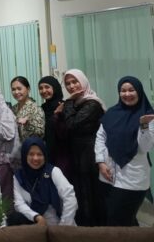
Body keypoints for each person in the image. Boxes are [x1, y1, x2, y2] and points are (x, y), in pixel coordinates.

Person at [95, 76, 154, 226]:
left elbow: (145, 148)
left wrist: (144, 126)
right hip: (109, 174)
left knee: (119, 221)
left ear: (139, 92)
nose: (127, 94)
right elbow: (100, 137)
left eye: (131, 90)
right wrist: (101, 162)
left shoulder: (148, 115)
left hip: (132, 178)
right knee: (119, 220)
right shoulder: (112, 113)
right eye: (123, 90)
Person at [55, 69, 105, 226]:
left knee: (91, 193)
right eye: (68, 83)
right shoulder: (76, 103)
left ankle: (95, 229)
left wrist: (68, 103)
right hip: (76, 153)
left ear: (83, 81)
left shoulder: (92, 104)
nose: (71, 86)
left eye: (75, 82)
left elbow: (72, 124)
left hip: (90, 154)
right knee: (80, 193)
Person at [10, 137, 77, 226]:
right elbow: (19, 204)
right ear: (24, 155)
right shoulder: (19, 177)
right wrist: (36, 217)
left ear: (45, 156)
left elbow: (70, 198)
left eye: (39, 154)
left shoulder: (53, 172)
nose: (35, 158)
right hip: (35, 223)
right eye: (31, 154)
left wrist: (63, 226)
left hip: (59, 223)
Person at [38, 76, 71, 173]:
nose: (44, 90)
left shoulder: (65, 105)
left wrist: (58, 114)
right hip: (48, 152)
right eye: (41, 88)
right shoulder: (42, 108)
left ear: (55, 88)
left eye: (47, 87)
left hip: (63, 153)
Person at [10, 76, 46, 163]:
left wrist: (28, 123)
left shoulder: (35, 108)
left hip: (32, 153)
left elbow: (40, 132)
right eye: (13, 89)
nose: (16, 92)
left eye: (19, 89)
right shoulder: (13, 108)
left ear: (28, 89)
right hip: (16, 152)